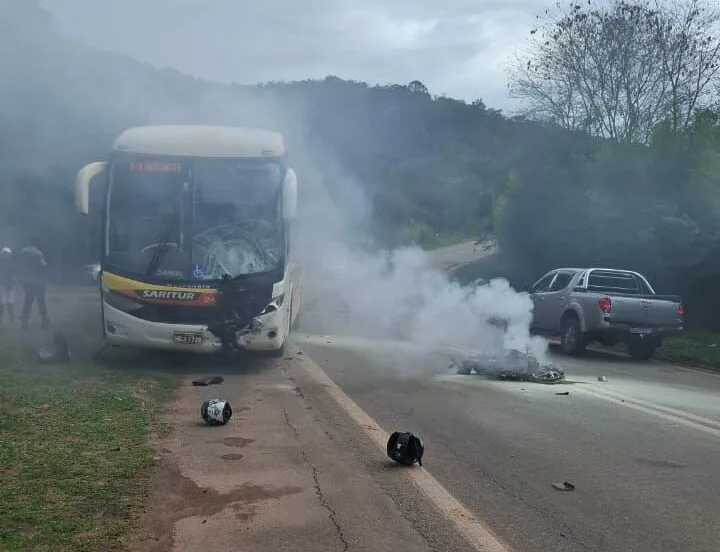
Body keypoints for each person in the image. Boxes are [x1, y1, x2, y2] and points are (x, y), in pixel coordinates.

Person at [16, 237, 50, 329]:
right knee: (41, 302)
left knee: (28, 301)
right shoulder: (38, 253)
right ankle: (45, 321)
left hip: (26, 280)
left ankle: (24, 322)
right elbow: (43, 266)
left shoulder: (22, 252)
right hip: (37, 281)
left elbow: (18, 265)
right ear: (37, 243)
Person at [0, 247, 16, 326]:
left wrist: (17, 284)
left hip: (10, 286)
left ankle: (12, 321)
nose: (6, 256)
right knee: (2, 305)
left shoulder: (12, 264)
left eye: (7, 254)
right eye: (4, 254)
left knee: (10, 305)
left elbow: (13, 275)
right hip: (1, 285)